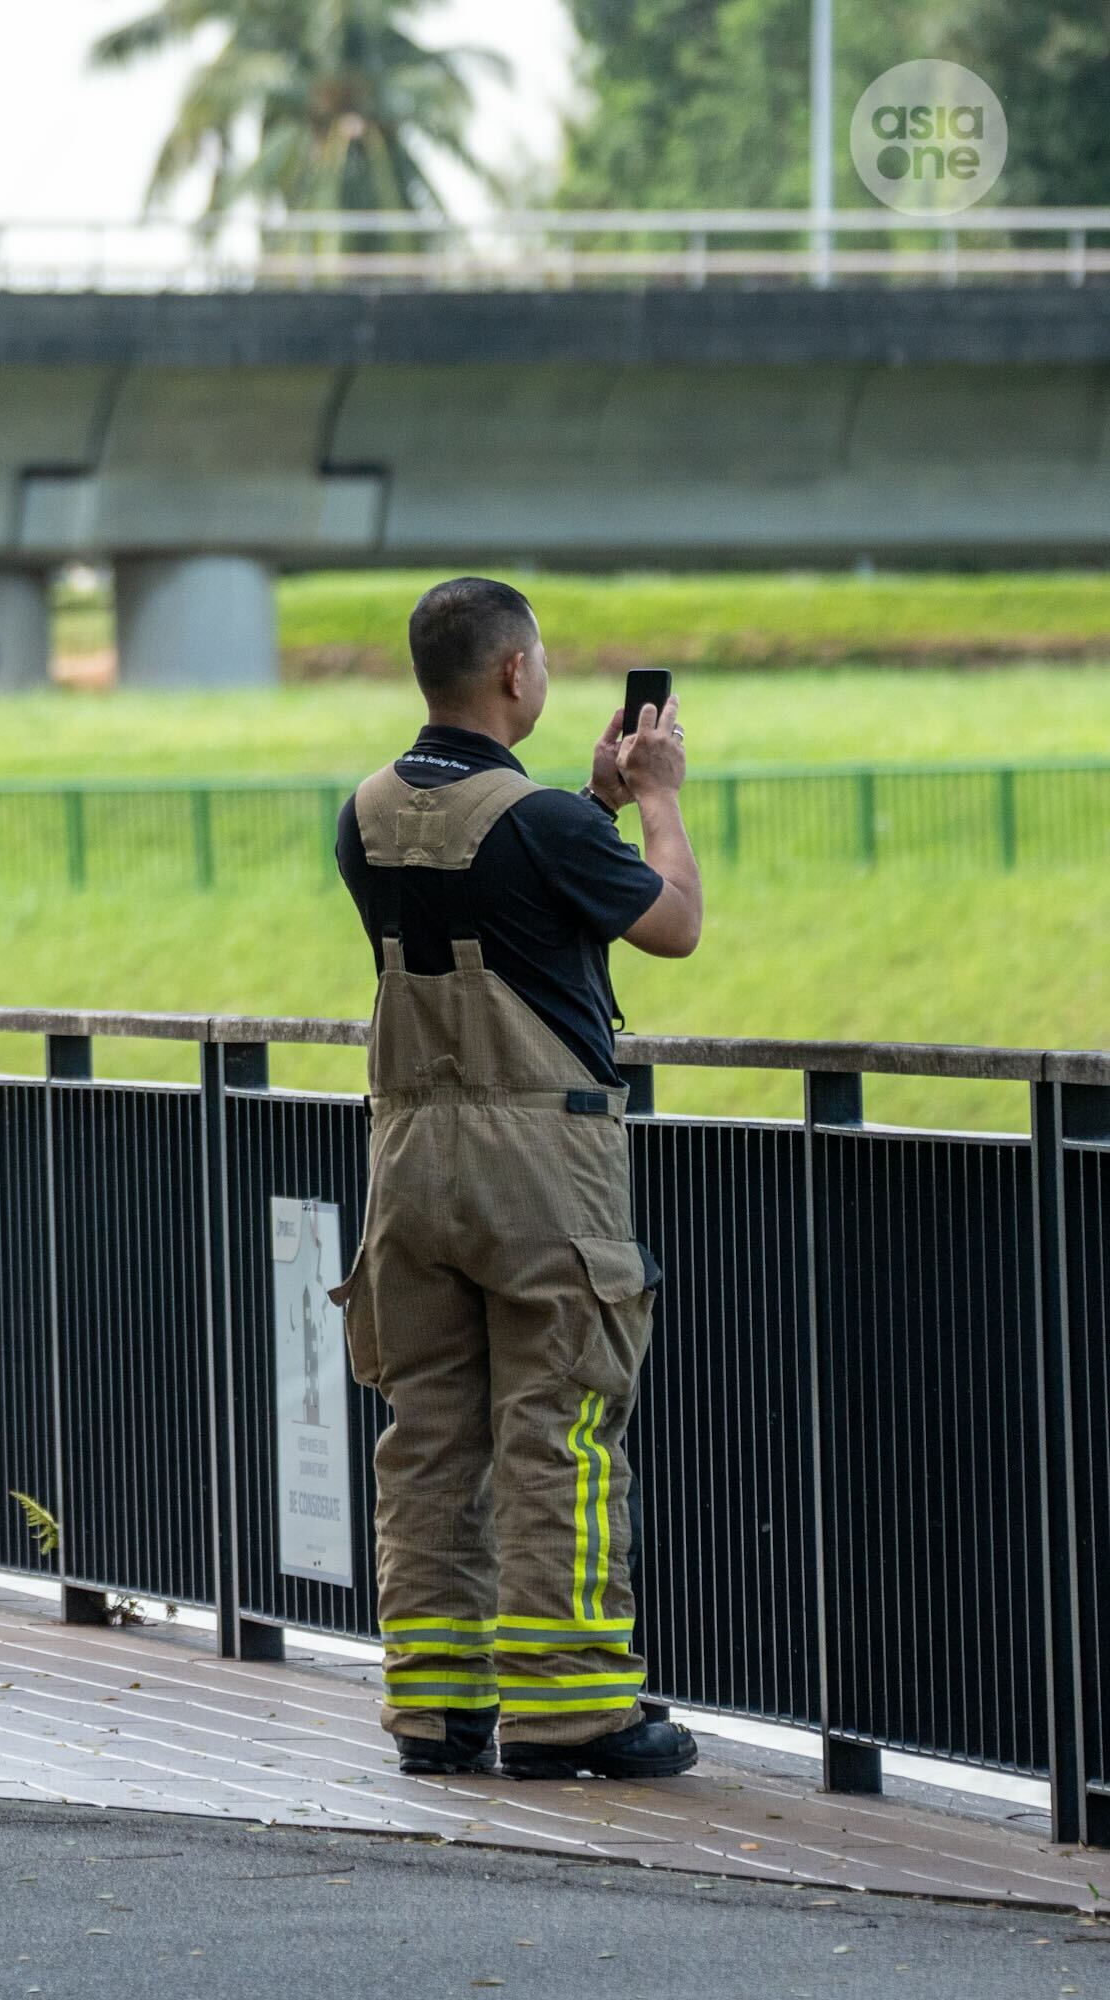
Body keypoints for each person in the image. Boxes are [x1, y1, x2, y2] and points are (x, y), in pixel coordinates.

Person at [328, 578, 705, 1782]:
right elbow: (674, 923)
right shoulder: (544, 824)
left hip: (409, 1160)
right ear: (513, 677)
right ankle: (574, 1708)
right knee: (562, 1428)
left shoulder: (366, 811)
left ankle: (436, 1710)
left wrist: (585, 801)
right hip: (541, 1165)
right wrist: (652, 801)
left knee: (430, 1432)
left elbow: (497, 892)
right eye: (537, 663)